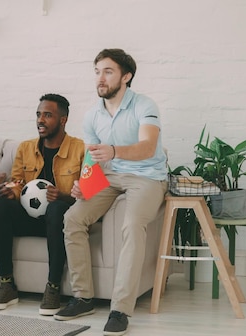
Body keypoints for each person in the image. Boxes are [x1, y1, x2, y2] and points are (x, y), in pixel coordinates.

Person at [56, 49, 168, 336]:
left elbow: (148, 147)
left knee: (132, 225)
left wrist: (115, 151)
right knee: (73, 219)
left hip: (146, 177)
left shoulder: (144, 105)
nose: (100, 78)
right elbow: (93, 158)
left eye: (108, 71)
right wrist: (85, 183)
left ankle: (120, 309)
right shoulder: (93, 114)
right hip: (108, 176)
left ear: (126, 76)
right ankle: (83, 297)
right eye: (97, 72)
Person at [0, 94, 85, 315]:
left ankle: (53, 288)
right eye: (39, 114)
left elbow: (85, 196)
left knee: (57, 208)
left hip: (59, 220)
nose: (41, 120)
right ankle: (6, 284)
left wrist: (62, 197)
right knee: (0, 206)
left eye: (48, 115)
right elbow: (18, 180)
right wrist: (11, 191)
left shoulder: (79, 149)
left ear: (63, 120)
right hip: (30, 219)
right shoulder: (26, 148)